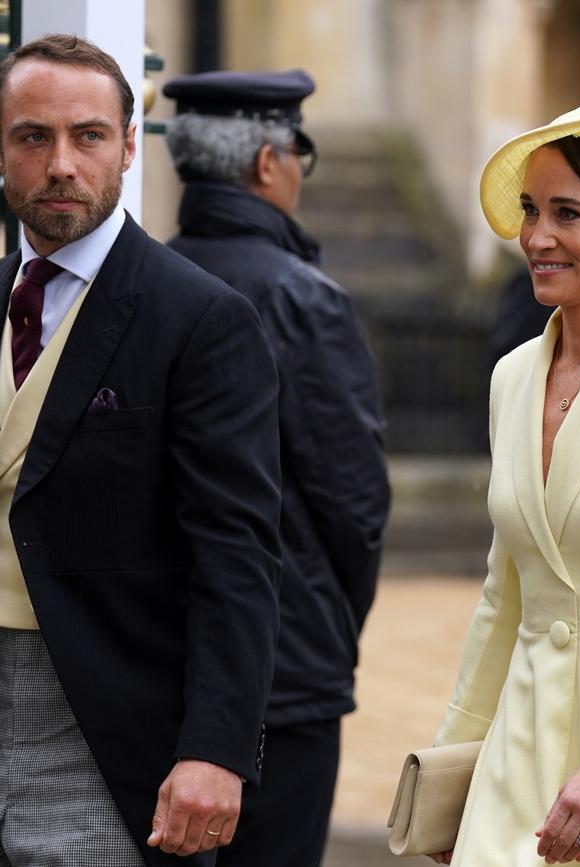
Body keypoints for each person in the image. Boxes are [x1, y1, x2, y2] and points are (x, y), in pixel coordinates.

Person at [0, 34, 282, 867]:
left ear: (129, 147)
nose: (60, 164)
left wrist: (217, 747)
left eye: (87, 136)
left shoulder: (200, 318)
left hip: (109, 730)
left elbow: (239, 554)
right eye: (31, 136)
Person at [430, 12, 580, 866]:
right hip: (517, 772)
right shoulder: (513, 375)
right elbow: (504, 597)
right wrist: (452, 772)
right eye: (530, 210)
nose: (536, 237)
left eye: (568, 213)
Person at [162, 69, 390, 867]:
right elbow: (354, 505)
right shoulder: (301, 297)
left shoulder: (141, 285)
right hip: (284, 676)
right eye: (301, 150)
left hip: (155, 660)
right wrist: (330, 634)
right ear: (268, 162)